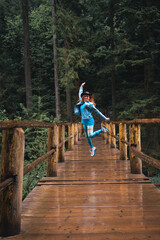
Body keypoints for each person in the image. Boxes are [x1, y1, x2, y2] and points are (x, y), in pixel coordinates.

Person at [74, 82, 110, 157]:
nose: (86, 97)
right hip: (84, 122)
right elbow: (80, 93)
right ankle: (92, 148)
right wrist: (81, 87)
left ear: (89, 98)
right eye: (85, 96)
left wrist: (105, 118)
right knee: (87, 137)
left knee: (90, 135)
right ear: (83, 97)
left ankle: (102, 130)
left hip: (90, 121)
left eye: (88, 96)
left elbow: (97, 112)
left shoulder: (90, 104)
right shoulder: (82, 102)